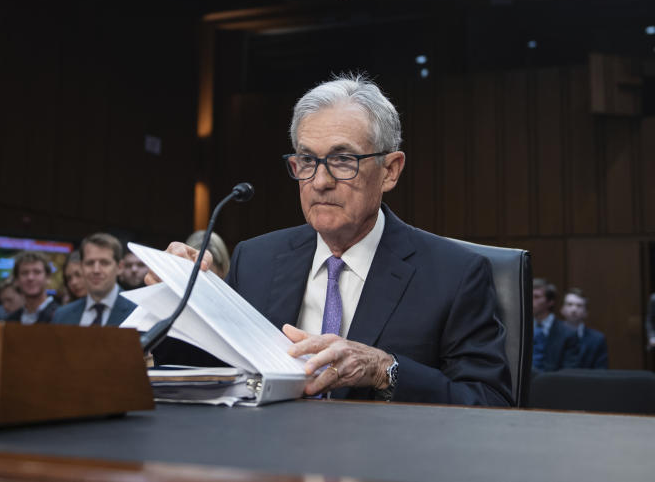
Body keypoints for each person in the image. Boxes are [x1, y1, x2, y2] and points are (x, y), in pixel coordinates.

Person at [162, 73, 512, 405]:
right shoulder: (255, 260)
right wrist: (178, 298)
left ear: (390, 170)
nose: (319, 181)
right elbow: (200, 371)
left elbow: (490, 404)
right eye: (307, 160)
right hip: (270, 459)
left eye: (343, 160)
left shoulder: (454, 274)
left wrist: (384, 370)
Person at [52, 232, 136, 327]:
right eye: (90, 263)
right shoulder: (62, 316)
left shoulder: (137, 313)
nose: (96, 270)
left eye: (104, 263)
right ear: (81, 266)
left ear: (120, 267)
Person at [531, 278, 579, 372]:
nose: (530, 301)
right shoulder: (519, 330)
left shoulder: (568, 333)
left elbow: (569, 371)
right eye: (529, 296)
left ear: (550, 302)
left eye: (536, 297)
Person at [559, 287, 608, 369]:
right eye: (569, 304)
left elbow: (601, 370)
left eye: (579, 305)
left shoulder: (598, 339)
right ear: (562, 309)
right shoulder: (552, 334)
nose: (574, 309)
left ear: (586, 312)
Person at [6, 251, 59, 324]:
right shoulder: (11, 320)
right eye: (24, 273)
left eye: (37, 272)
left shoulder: (60, 316)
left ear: (48, 277)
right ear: (16, 280)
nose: (30, 278)